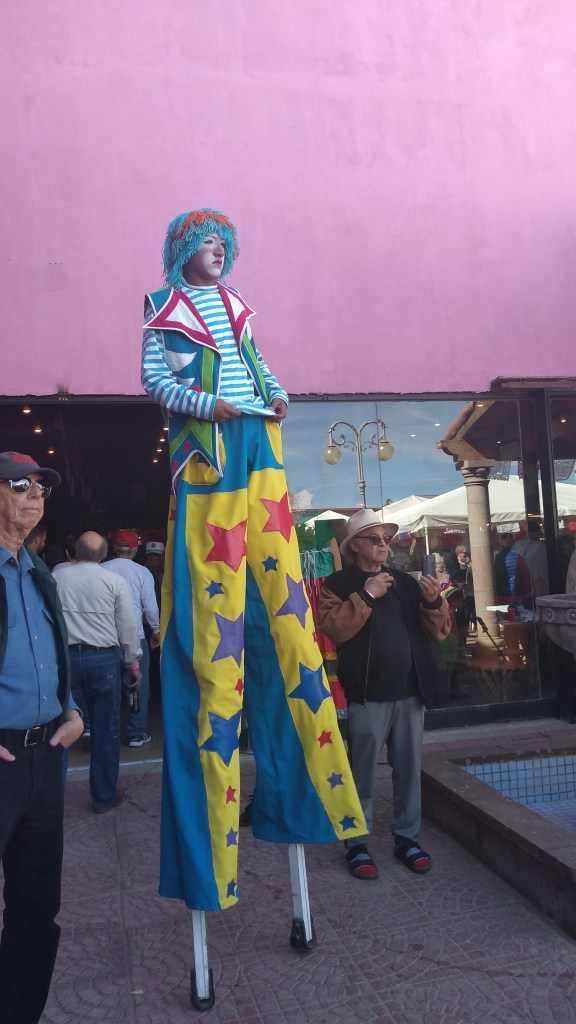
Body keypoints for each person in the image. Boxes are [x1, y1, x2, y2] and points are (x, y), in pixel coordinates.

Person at [141, 208, 366, 912]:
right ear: (183, 250)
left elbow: (255, 361)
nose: (215, 251)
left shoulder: (236, 304)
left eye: (222, 243)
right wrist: (205, 404)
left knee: (289, 627)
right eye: (205, 242)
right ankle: (213, 858)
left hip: (260, 448)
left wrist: (277, 393)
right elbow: (155, 382)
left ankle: (307, 801)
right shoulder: (163, 307)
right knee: (213, 642)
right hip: (210, 454)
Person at [318, 509, 451, 881]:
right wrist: (366, 594)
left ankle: (407, 839)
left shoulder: (405, 582)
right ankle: (357, 844)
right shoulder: (338, 583)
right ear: (355, 545)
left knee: (409, 770)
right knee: (361, 772)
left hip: (410, 691)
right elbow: (333, 628)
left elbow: (438, 632)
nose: (383, 545)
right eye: (374, 538)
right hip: (368, 693)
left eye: (386, 539)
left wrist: (432, 602)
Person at [0, 451, 84, 1023]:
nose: (34, 495)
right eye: (19, 484)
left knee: (35, 907)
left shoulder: (38, 572)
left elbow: (53, 655)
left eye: (40, 488)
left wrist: (70, 709)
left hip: (46, 755)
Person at [54, 531, 141, 813]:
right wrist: (132, 663)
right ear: (104, 554)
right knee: (106, 729)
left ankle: (52, 798)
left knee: (62, 728)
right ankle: (103, 796)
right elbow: (127, 626)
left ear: (75, 551)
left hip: (66, 660)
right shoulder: (114, 581)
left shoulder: (57, 577)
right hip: (103, 661)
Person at [102, 529, 160, 747]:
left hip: (105, 639)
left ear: (114, 548)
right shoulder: (142, 572)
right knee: (137, 686)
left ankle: (107, 732)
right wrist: (156, 630)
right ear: (135, 549)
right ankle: (135, 733)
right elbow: (150, 607)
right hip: (135, 638)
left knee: (108, 688)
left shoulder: (101, 569)